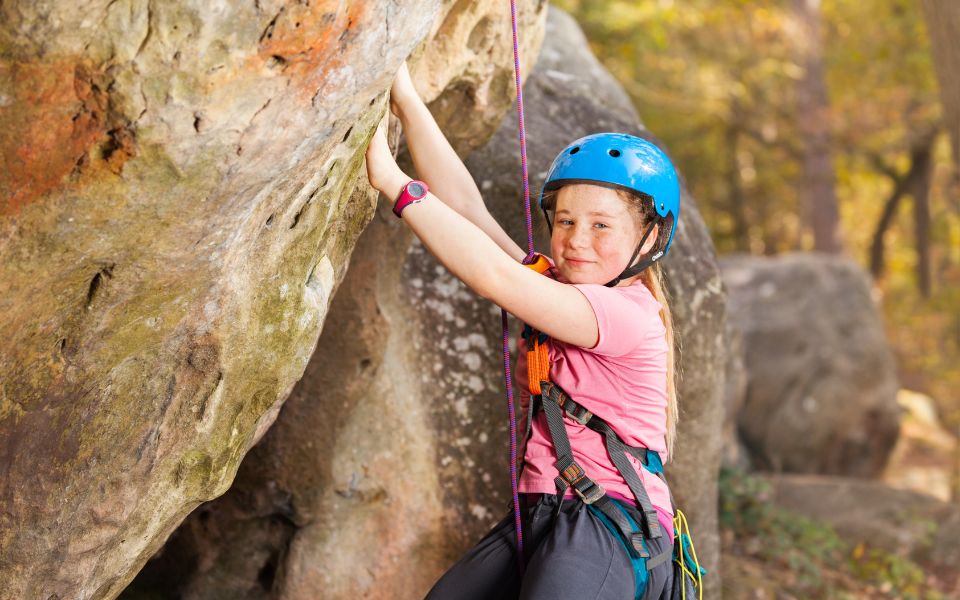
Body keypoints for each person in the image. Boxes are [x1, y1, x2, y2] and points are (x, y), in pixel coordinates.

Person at [364, 61, 682, 600]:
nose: (577, 239)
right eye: (565, 220)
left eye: (602, 225)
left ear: (649, 239)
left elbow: (492, 276)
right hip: (546, 510)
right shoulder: (557, 288)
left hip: (606, 520)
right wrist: (406, 98)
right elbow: (467, 210)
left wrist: (394, 184)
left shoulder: (626, 313)